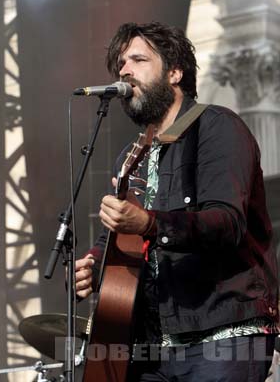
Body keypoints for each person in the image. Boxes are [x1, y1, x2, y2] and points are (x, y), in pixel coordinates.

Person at [75, 21, 279, 382]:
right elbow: (121, 239)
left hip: (221, 335)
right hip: (152, 348)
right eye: (121, 63)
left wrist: (150, 224)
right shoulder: (130, 155)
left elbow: (226, 222)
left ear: (175, 71)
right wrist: (92, 265)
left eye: (138, 59)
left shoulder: (218, 128)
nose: (124, 70)